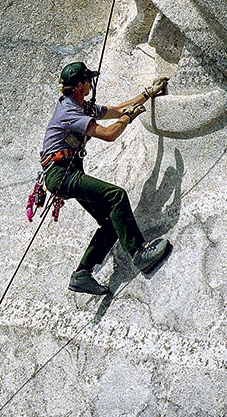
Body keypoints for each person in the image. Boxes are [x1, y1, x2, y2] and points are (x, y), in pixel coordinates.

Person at [40, 61, 171, 295]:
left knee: (111, 222)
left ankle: (81, 274)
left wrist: (147, 94)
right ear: (79, 85)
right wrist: (128, 118)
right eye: (88, 80)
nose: (91, 83)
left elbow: (117, 110)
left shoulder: (80, 106)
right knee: (116, 196)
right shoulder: (69, 112)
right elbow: (110, 134)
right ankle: (139, 254)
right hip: (61, 174)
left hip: (67, 173)